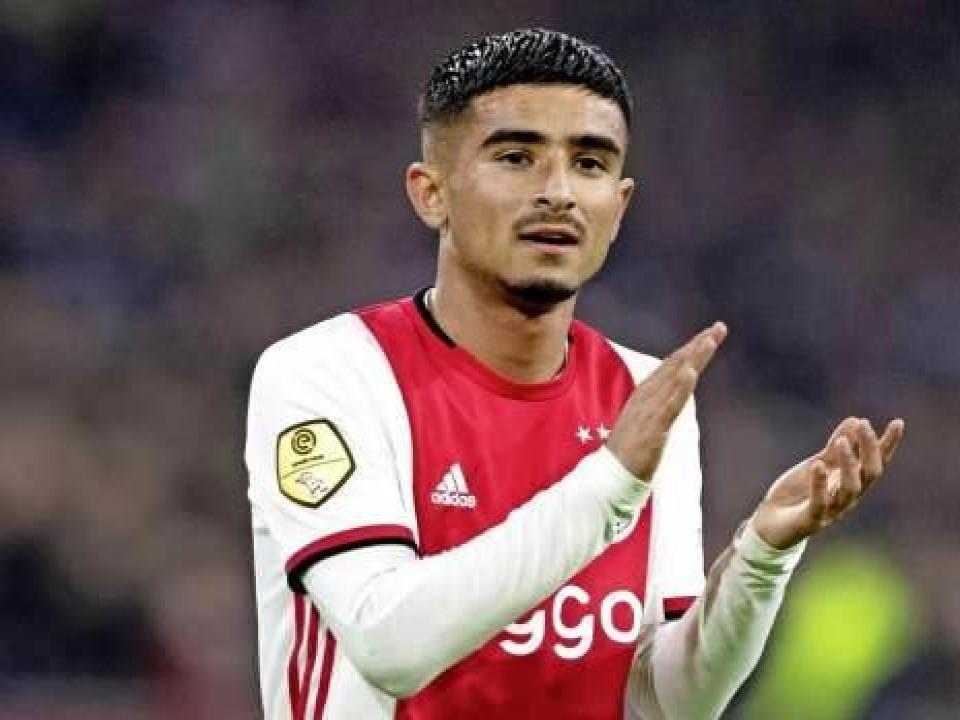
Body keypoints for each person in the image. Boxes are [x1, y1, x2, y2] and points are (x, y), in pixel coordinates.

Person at [245, 27, 905, 720]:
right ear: (431, 192)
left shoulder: (645, 396)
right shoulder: (328, 373)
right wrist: (611, 485)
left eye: (589, 163)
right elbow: (389, 643)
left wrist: (762, 556)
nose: (557, 192)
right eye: (516, 157)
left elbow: (664, 703)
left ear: (618, 207)